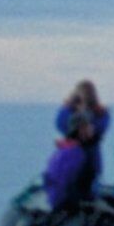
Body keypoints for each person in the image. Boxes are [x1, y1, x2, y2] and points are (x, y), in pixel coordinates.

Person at [40, 82, 106, 216]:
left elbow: (101, 126)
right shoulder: (72, 152)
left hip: (87, 166)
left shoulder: (98, 115)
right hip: (66, 198)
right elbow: (63, 181)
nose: (91, 129)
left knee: (89, 180)